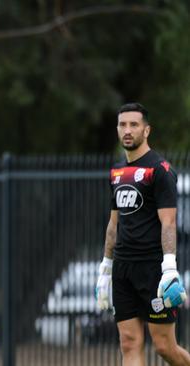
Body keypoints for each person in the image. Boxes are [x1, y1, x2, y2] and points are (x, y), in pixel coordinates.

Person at [96, 103, 190, 365]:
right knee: (129, 343)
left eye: (134, 125)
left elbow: (169, 222)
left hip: (153, 270)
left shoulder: (160, 170)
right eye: (122, 125)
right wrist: (106, 268)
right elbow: (113, 225)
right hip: (123, 270)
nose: (127, 130)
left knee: (164, 347)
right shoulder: (116, 171)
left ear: (146, 130)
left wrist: (169, 268)